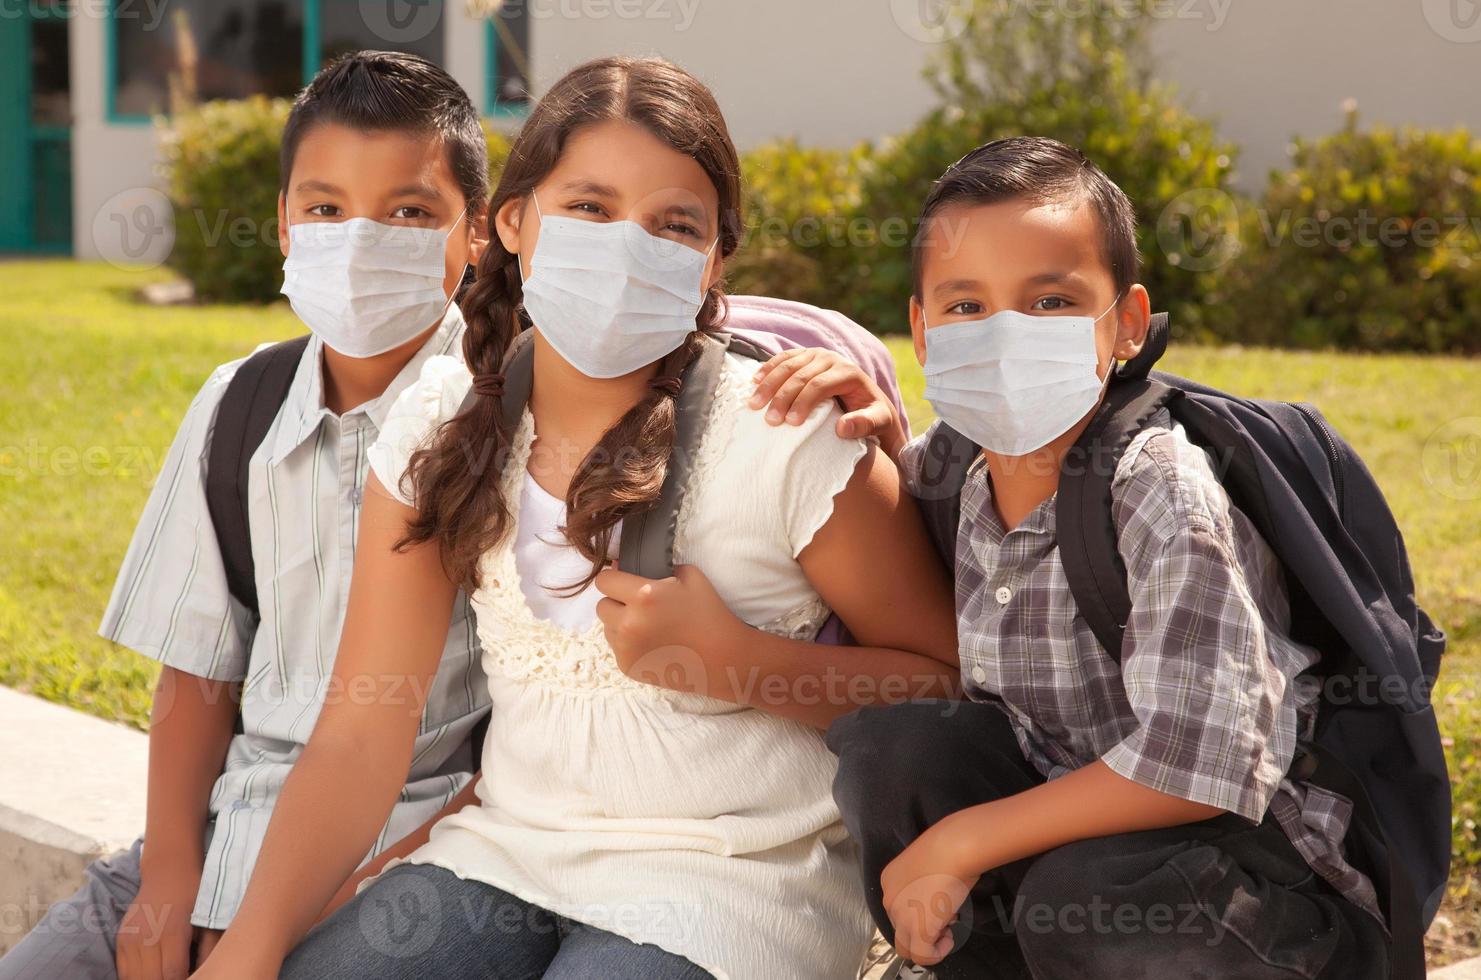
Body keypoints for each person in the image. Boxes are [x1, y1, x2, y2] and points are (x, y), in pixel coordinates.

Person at [190, 56, 959, 980]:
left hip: (734, 883)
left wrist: (743, 666)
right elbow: (360, 735)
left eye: (673, 224)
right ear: (512, 221)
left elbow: (945, 687)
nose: (626, 245)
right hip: (504, 856)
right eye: (588, 207)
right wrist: (252, 947)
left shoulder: (788, 438)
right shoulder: (441, 425)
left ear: (714, 259)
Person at [756, 137, 1390, 980]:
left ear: (1125, 323)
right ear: (920, 330)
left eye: (1050, 302)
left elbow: (1200, 762)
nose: (1004, 335)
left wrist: (962, 839)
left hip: (1246, 886)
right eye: (965, 307)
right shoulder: (954, 466)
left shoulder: (1158, 485)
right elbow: (894, 542)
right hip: (1077, 846)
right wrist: (866, 430)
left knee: (1089, 890)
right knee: (898, 749)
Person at [0, 51, 496, 980]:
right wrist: (170, 879)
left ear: (475, 234)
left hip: (420, 860)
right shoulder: (241, 406)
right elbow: (198, 673)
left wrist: (296, 912)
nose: (359, 239)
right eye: (324, 208)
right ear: (282, 225)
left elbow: (524, 755)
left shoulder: (506, 422)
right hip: (223, 833)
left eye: (409, 212)